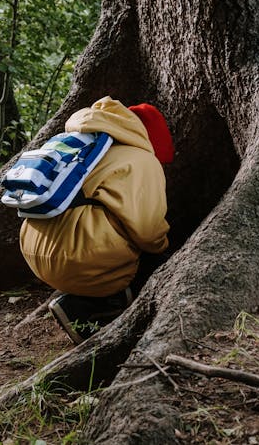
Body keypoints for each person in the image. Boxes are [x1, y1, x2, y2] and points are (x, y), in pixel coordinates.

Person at [19, 96, 173, 343]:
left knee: (109, 236)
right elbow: (148, 229)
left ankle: (80, 302)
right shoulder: (141, 160)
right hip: (79, 255)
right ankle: (88, 309)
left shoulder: (85, 145)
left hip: (32, 249)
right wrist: (164, 253)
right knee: (155, 255)